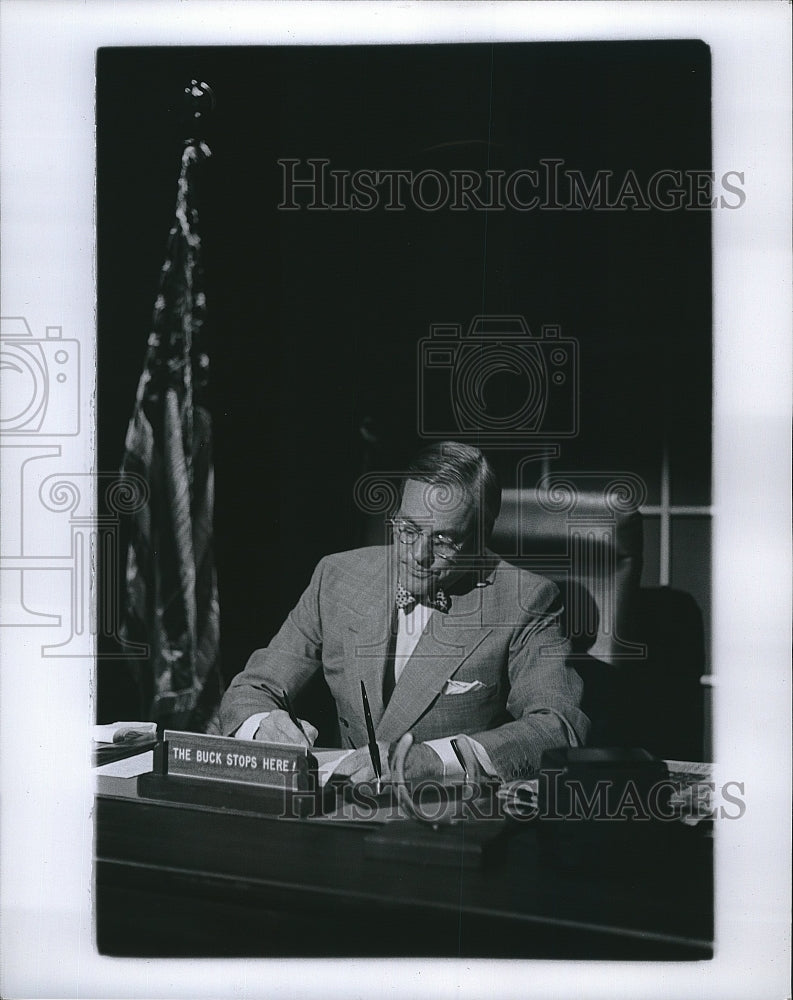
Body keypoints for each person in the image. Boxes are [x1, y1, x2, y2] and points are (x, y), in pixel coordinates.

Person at [217, 442, 589, 782]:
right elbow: (251, 688)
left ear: (481, 536)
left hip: (445, 815)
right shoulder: (337, 576)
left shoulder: (527, 600)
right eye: (408, 529)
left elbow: (556, 727)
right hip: (339, 807)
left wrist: (433, 759)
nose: (418, 555)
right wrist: (263, 723)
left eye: (444, 540)